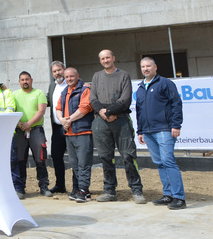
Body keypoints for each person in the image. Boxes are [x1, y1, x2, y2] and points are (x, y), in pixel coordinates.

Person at [89, 49, 145, 204]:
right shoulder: (97, 76)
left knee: (128, 156)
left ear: (113, 58)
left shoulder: (124, 75)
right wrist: (103, 112)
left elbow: (125, 99)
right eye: (102, 58)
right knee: (105, 157)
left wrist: (110, 111)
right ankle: (109, 190)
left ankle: (137, 190)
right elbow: (92, 98)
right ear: (100, 60)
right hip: (101, 122)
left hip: (121, 121)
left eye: (108, 57)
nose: (105, 60)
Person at [136, 57, 186, 210]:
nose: (146, 69)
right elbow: (139, 111)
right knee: (159, 163)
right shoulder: (140, 87)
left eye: (148, 66)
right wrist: (140, 130)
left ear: (155, 67)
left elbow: (176, 104)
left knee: (168, 161)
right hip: (148, 132)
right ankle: (168, 195)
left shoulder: (165, 83)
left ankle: (179, 198)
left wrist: (176, 125)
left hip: (164, 129)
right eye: (143, 66)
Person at [12, 71, 52, 198]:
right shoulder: (14, 95)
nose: (25, 81)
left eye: (27, 79)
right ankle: (20, 188)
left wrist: (28, 124)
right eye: (22, 79)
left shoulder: (39, 93)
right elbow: (11, 110)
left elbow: (41, 111)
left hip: (36, 130)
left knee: (40, 159)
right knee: (20, 160)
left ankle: (44, 186)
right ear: (19, 82)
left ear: (31, 80)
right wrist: (20, 124)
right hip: (19, 131)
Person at [56, 67, 93, 203]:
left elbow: (85, 108)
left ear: (77, 76)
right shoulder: (65, 91)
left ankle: (84, 190)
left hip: (83, 132)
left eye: (71, 76)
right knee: (75, 164)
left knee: (83, 163)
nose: (69, 79)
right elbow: (58, 108)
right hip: (69, 133)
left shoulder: (84, 90)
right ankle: (80, 189)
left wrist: (68, 120)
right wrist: (62, 121)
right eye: (67, 77)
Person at [46, 61, 69, 195]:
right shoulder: (52, 86)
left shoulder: (73, 83)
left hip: (70, 126)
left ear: (64, 69)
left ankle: (78, 187)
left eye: (59, 70)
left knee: (74, 158)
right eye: (54, 71)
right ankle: (60, 185)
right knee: (56, 156)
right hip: (56, 127)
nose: (57, 73)